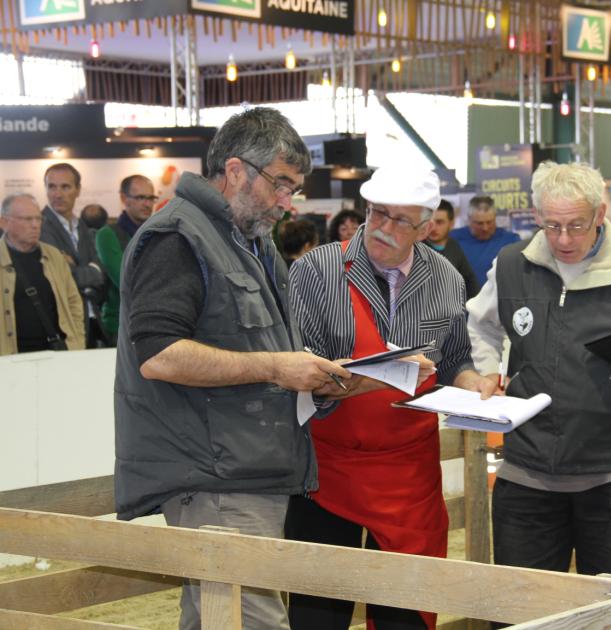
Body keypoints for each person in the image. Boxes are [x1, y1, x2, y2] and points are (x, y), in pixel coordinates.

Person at [113, 107, 351, 630]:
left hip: (245, 470)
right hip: (215, 476)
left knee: (216, 619)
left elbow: (265, 351)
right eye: (281, 185)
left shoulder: (250, 243)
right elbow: (160, 355)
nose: (289, 203)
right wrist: (278, 368)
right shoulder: (177, 237)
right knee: (252, 621)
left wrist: (314, 379)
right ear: (237, 170)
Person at [286, 165, 495, 630]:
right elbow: (301, 374)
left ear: (427, 227)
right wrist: (391, 376)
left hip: (409, 478)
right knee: (317, 617)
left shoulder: (445, 278)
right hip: (327, 474)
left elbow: (455, 358)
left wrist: (474, 384)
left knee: (408, 614)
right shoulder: (315, 271)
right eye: (378, 213)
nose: (383, 227)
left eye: (402, 220)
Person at [467, 161, 611, 582]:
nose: (563, 239)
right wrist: (487, 370)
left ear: (600, 215)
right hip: (525, 472)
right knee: (520, 608)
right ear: (538, 218)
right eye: (552, 226)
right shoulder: (512, 264)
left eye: (576, 225)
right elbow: (480, 323)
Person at [1, 193, 84, 355]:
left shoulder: (54, 256)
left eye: (38, 219)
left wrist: (77, 342)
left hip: (57, 351)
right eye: (27, 219)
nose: (35, 225)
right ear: (4, 222)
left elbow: (73, 301)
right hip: (11, 357)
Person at [40, 163, 107, 347]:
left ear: (78, 190)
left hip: (93, 318)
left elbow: (101, 272)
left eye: (65, 187)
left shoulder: (83, 227)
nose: (57, 194)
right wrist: (90, 271)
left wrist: (79, 269)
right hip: (63, 324)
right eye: (51, 186)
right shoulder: (40, 227)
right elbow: (61, 276)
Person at [95, 175, 157, 343]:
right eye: (140, 198)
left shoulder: (157, 233)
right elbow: (126, 280)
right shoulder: (108, 234)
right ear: (124, 198)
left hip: (156, 324)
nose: (147, 204)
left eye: (150, 198)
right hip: (120, 327)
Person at [450, 195, 520, 289]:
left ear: (495, 218)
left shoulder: (511, 241)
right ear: (469, 219)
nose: (485, 228)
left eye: (489, 222)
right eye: (479, 223)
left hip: (499, 300)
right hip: (462, 300)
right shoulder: (453, 239)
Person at [425, 199, 478, 298]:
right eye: (429, 221)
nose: (433, 227)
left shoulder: (454, 245)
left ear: (451, 224)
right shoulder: (416, 248)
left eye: (439, 222)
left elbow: (470, 280)